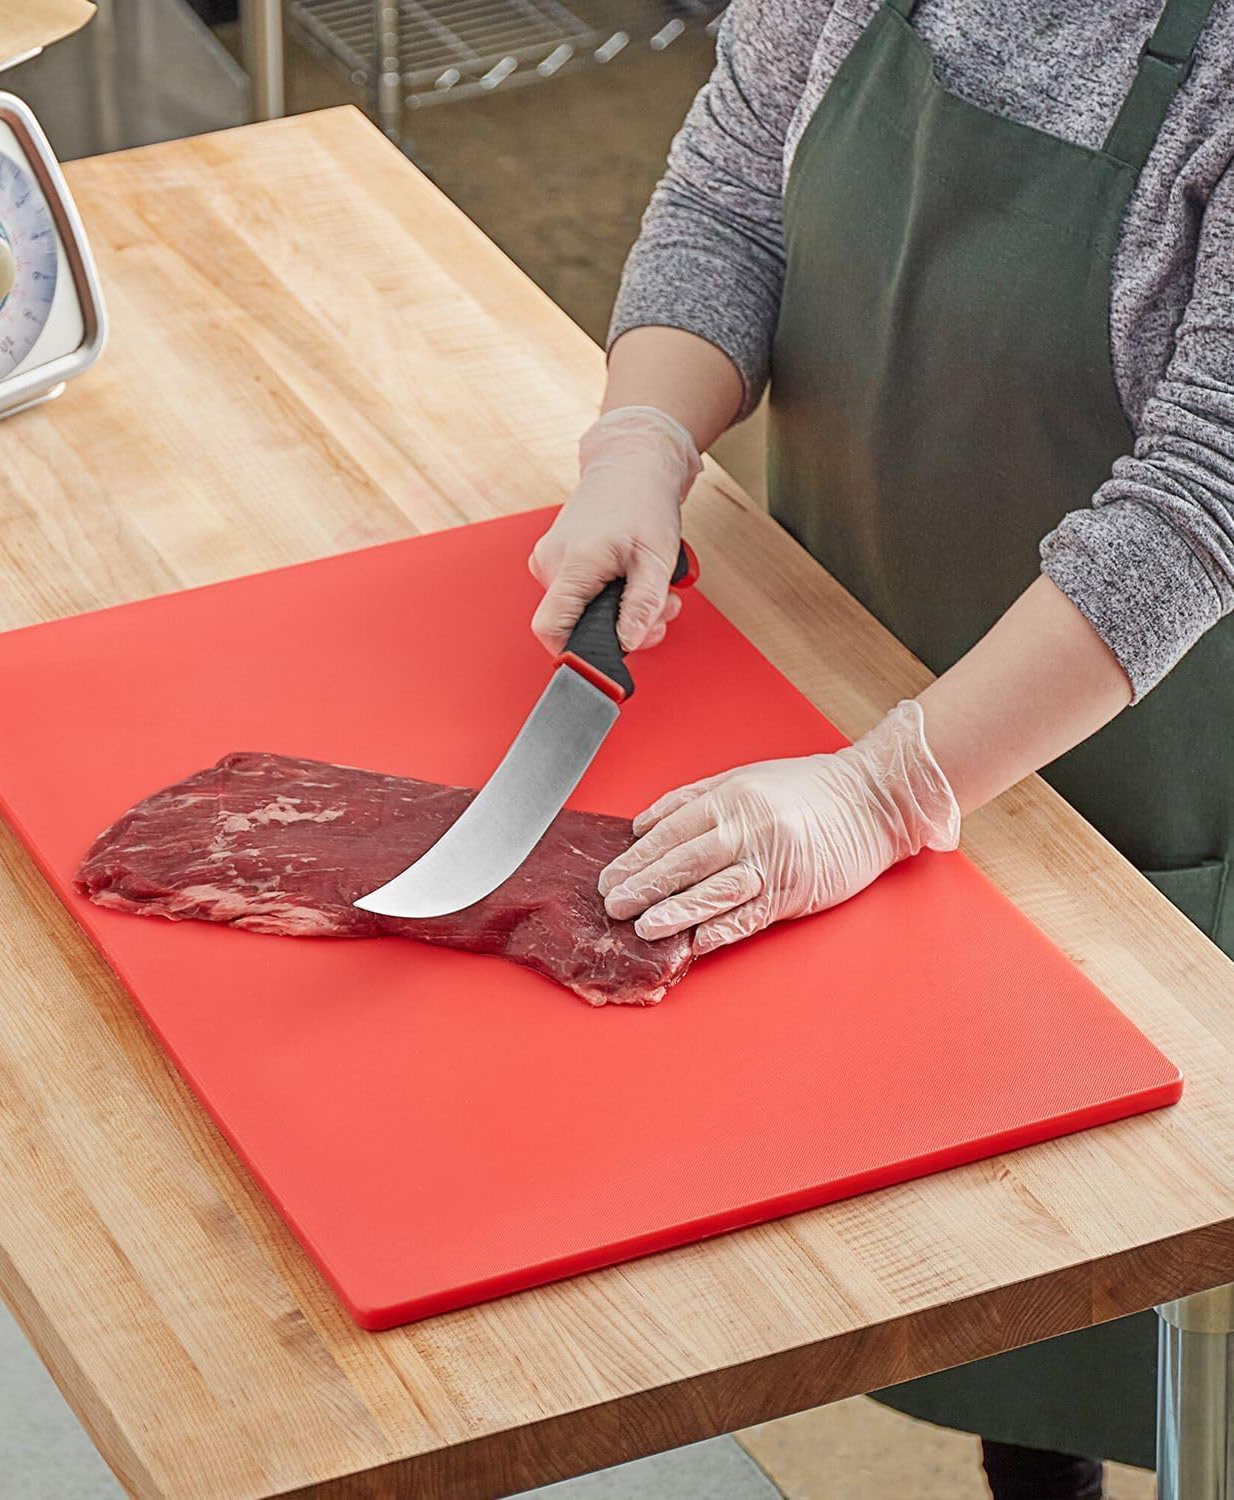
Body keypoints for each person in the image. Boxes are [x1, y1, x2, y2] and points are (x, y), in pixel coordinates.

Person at [528, 0, 1234, 1495]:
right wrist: (643, 438)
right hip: (842, 712)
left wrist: (888, 790)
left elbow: (1201, 492)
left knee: (1157, 1305)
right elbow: (730, 199)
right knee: (972, 1282)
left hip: (1131, 786)